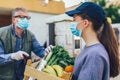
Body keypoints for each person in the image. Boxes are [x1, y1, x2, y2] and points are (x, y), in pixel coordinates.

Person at [66, 2, 120, 80]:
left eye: (74, 19)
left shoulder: (94, 55)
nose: (72, 23)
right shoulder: (90, 49)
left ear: (85, 23)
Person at [0, 8, 51, 80]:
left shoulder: (30, 35)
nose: (25, 20)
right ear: (13, 19)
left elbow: (39, 50)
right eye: (21, 17)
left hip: (23, 76)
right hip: (5, 76)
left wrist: (47, 51)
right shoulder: (1, 34)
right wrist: (12, 56)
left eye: (27, 17)